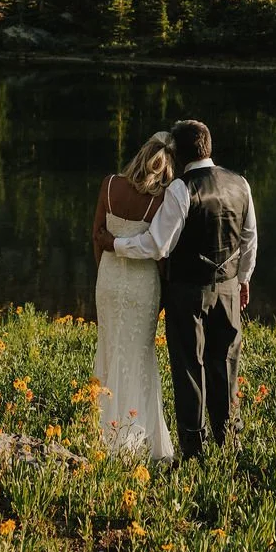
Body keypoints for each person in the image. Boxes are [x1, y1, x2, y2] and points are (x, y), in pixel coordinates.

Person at [96, 119, 257, 460]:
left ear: (181, 154)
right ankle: (229, 441)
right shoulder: (239, 183)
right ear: (208, 146)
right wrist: (243, 280)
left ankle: (193, 449)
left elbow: (157, 246)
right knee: (225, 362)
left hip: (188, 291)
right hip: (227, 288)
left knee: (189, 367)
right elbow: (249, 238)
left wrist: (117, 244)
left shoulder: (182, 189)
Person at [91, 131, 175, 462]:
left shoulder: (110, 185)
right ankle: (139, 437)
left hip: (109, 279)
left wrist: (106, 273)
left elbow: (97, 236)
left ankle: (105, 431)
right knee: (140, 357)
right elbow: (162, 257)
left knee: (110, 349)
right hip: (143, 284)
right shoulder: (162, 200)